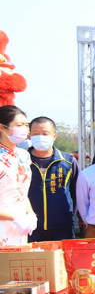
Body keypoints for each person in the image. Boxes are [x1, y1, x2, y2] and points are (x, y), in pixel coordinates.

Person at [27, 116, 78, 242]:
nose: (40, 137)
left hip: (62, 227)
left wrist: (72, 216)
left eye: (45, 134)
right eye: (36, 134)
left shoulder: (68, 161)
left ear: (54, 136)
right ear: (29, 136)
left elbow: (77, 192)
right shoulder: (21, 161)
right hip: (30, 227)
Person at [0, 105, 36, 245]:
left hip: (19, 226)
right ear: (2, 127)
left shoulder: (24, 156)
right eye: (19, 125)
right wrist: (13, 217)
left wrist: (31, 213)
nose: (25, 129)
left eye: (26, 125)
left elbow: (21, 191)